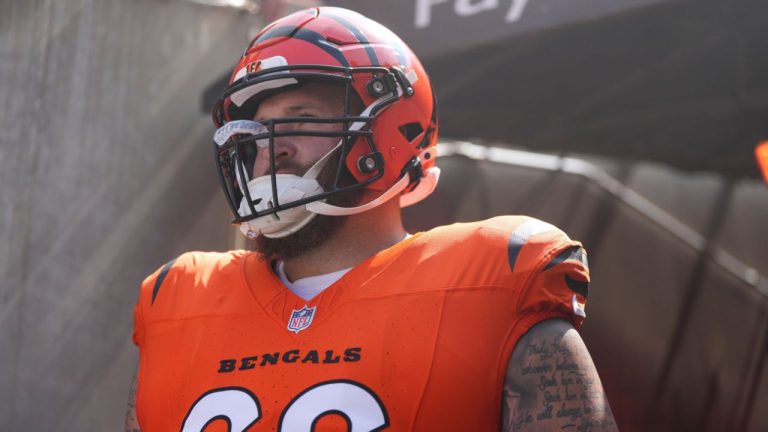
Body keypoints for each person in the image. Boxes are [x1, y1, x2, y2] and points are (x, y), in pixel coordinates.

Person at [126, 7, 617, 432]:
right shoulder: (178, 301)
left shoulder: (490, 283)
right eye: (257, 132)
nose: (271, 149)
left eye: (299, 118)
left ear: (390, 134)